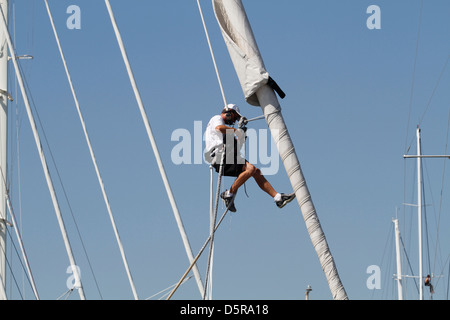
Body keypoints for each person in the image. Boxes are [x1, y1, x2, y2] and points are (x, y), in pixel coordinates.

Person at [204, 103, 295, 212]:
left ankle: (278, 198)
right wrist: (237, 131)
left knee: (256, 171)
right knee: (251, 169)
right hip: (219, 157)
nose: (235, 121)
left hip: (227, 156)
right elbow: (219, 128)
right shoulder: (217, 118)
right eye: (235, 117)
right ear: (229, 113)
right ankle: (228, 194)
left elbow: (236, 149)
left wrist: (242, 136)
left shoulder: (227, 134)